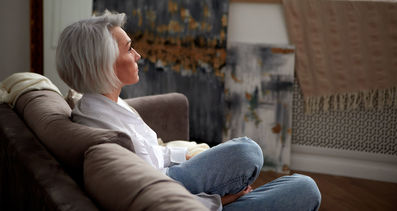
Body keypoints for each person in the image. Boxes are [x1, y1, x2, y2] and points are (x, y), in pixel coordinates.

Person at [56, 11, 321, 211]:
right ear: (103, 64)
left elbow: (151, 154)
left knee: (248, 152)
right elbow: (151, 198)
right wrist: (219, 201)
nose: (137, 55)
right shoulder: (103, 127)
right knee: (300, 186)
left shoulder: (107, 106)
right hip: (172, 194)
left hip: (170, 179)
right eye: (128, 49)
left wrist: (189, 152)